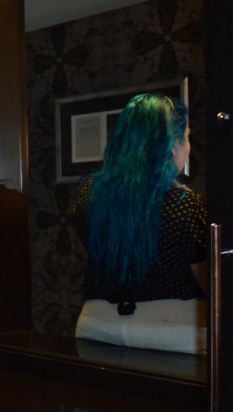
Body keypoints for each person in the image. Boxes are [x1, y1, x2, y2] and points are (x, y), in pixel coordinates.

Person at [71, 92, 208, 354]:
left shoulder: (88, 195)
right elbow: (210, 283)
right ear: (172, 146)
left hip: (97, 326)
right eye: (187, 137)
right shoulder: (186, 206)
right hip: (173, 330)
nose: (189, 147)